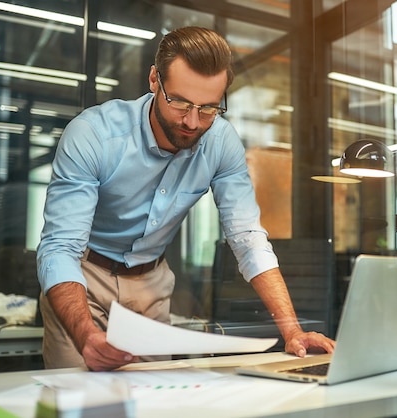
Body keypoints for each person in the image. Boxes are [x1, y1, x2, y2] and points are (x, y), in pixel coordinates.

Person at [36, 26, 335, 371]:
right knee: (77, 399)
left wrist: (292, 330)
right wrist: (85, 334)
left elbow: (248, 239)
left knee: (154, 400)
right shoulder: (94, 135)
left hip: (152, 286)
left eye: (208, 108)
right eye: (179, 102)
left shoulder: (222, 143)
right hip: (83, 279)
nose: (192, 122)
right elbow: (59, 248)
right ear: (153, 80)